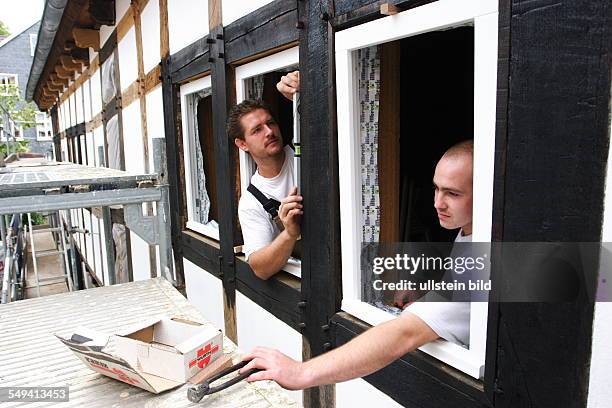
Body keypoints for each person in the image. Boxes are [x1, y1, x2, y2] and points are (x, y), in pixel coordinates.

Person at [239, 139, 475, 390]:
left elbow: (404, 333)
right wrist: (426, 295)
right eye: (436, 189)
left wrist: (301, 372)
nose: (438, 203)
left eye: (453, 193)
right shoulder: (470, 228)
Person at [229, 99, 302, 280]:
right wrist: (290, 233)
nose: (269, 132)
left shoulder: (303, 153)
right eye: (257, 130)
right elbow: (260, 268)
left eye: (270, 123)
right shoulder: (252, 201)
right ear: (242, 144)